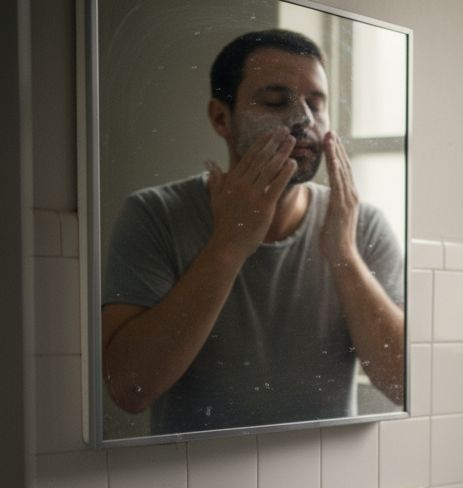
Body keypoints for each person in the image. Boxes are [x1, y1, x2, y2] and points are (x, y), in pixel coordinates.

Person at [101, 29, 405, 434]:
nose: (304, 120)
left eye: (316, 104)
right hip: (190, 472)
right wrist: (228, 244)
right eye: (276, 101)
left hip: (325, 470)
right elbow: (129, 389)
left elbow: (403, 385)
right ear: (221, 118)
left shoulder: (361, 224)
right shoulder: (154, 214)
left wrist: (344, 255)